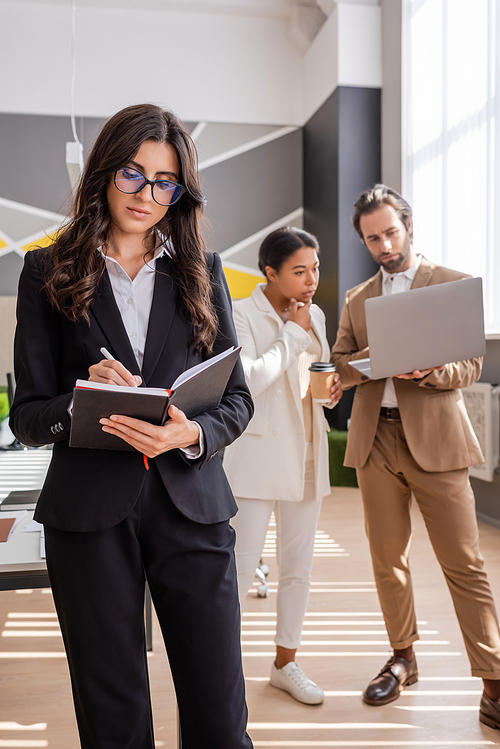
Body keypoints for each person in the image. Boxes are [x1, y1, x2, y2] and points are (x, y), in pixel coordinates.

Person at [9, 103, 254, 749]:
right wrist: (81, 399)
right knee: (112, 715)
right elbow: (28, 414)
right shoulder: (47, 271)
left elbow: (236, 399)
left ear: (180, 189)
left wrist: (191, 433)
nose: (147, 194)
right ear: (103, 173)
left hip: (193, 506)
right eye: (132, 174)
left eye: (164, 180)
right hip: (89, 515)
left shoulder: (203, 269)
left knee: (221, 718)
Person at [330, 183, 500, 727]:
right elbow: (340, 362)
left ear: (408, 225)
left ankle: (493, 680)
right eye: (372, 238)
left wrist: (425, 369)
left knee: (465, 565)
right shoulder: (358, 298)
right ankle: (403, 658)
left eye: (390, 232)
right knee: (388, 562)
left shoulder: (449, 285)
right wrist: (372, 361)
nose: (383, 245)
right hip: (375, 439)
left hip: (437, 441)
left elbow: (469, 366)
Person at [223, 227, 342, 705]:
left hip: (307, 450)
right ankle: (221, 672)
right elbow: (248, 380)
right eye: (299, 271)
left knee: (298, 568)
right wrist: (293, 333)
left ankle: (285, 664)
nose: (311, 280)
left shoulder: (315, 314)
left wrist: (328, 393)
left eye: (315, 269)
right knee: (240, 565)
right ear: (269, 272)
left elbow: (315, 375)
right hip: (254, 456)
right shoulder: (238, 313)